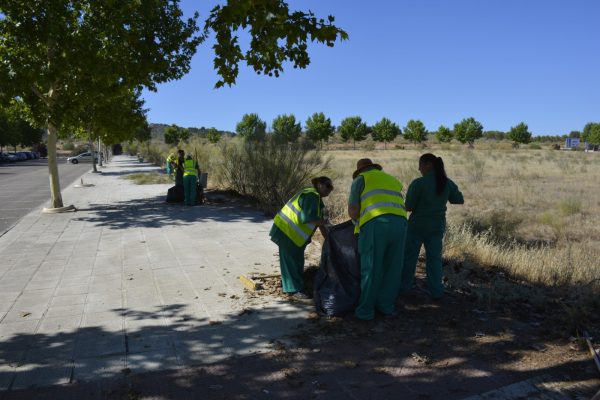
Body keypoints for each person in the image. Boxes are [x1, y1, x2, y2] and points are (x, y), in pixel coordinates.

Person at [348, 158, 407, 320]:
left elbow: (353, 210)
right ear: (374, 168)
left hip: (377, 224)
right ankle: (386, 306)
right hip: (401, 223)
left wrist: (356, 222)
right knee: (393, 268)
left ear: (360, 170)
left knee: (371, 267)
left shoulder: (360, 179)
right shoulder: (392, 179)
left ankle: (365, 311)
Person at [400, 153, 464, 300]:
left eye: (421, 165)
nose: (419, 168)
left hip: (416, 226)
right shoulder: (447, 183)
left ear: (429, 165)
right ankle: (436, 291)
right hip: (437, 227)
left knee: (409, 258)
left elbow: (408, 207)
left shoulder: (418, 183)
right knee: (434, 259)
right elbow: (459, 199)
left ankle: (403, 288)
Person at [270, 177, 334, 301]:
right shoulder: (311, 196)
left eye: (331, 187)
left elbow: (319, 224)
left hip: (290, 232)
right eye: (328, 186)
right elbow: (309, 219)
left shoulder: (315, 198)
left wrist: (329, 238)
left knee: (295, 261)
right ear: (319, 185)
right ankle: (294, 290)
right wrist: (325, 222)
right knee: (292, 261)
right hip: (288, 231)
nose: (330, 190)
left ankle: (289, 285)